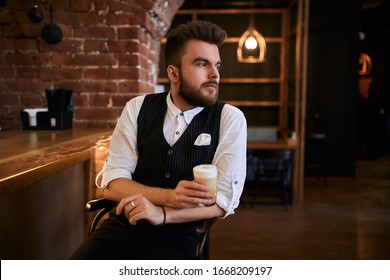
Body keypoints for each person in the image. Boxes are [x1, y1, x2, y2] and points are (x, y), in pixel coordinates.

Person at [71, 20, 247, 260]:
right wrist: (169, 197)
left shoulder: (230, 119)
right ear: (174, 73)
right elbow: (112, 183)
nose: (214, 74)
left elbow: (224, 201)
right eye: (201, 64)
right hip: (123, 227)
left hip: (180, 234)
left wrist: (163, 214)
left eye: (216, 65)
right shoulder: (137, 108)